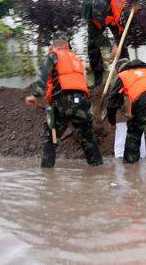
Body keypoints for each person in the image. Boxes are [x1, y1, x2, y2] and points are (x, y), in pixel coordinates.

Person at [25, 33, 103, 168]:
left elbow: (44, 73)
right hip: (82, 102)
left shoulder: (53, 55)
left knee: (51, 139)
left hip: (63, 101)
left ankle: (47, 176)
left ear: (53, 44)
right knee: (88, 138)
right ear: (67, 44)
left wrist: (36, 95)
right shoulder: (77, 59)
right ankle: (98, 170)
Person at [82, 0, 142, 88]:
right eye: (101, 18)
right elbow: (97, 37)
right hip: (96, 25)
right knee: (93, 47)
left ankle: (125, 75)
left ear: (108, 7)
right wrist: (110, 47)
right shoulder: (93, 18)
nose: (103, 19)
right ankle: (98, 83)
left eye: (103, 16)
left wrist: (135, 1)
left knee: (121, 47)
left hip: (115, 20)